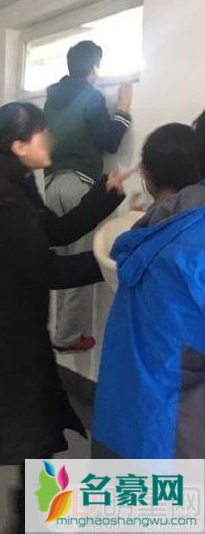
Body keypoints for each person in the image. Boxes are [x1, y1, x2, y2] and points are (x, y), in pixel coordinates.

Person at [0, 102, 126, 534]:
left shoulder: (12, 186)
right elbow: (47, 270)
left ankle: (30, 521)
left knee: (33, 438)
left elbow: (54, 232)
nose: (50, 139)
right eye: (42, 134)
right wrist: (118, 258)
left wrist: (105, 195)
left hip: (8, 334)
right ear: (19, 145)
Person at [93, 123, 205, 459]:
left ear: (147, 175)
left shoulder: (151, 232)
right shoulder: (193, 242)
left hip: (124, 421)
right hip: (174, 437)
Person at [43, 40, 134, 352]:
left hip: (52, 184)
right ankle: (67, 337)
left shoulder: (51, 100)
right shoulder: (90, 96)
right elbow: (109, 141)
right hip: (79, 183)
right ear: (94, 68)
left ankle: (58, 329)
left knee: (60, 261)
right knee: (80, 261)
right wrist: (123, 107)